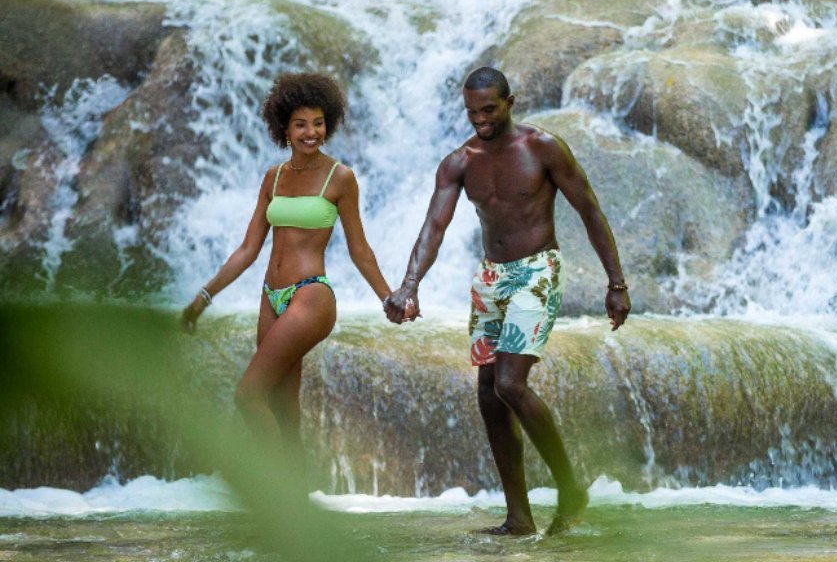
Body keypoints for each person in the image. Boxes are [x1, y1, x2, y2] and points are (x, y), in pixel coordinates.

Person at [384, 66, 630, 537]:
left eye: (489, 110)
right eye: (471, 112)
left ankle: (570, 488)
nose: (480, 119)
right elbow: (434, 226)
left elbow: (590, 211)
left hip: (537, 271)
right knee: (488, 393)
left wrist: (616, 283)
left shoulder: (543, 148)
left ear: (510, 102)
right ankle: (519, 517)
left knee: (510, 384)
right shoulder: (459, 162)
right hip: (491, 278)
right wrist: (409, 285)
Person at [180, 72, 409, 483]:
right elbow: (248, 250)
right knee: (282, 408)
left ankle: (276, 493)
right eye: (301, 124)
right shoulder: (274, 177)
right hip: (271, 296)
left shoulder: (340, 178)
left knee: (248, 395)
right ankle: (300, 502)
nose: (311, 132)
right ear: (284, 128)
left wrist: (388, 296)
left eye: (318, 123)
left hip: (310, 296)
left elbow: (359, 248)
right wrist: (204, 296)